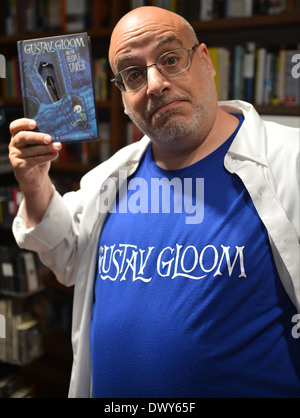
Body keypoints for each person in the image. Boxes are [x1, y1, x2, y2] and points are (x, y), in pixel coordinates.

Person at [9, 6, 299, 398]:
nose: (155, 83)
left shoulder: (290, 162)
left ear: (205, 61)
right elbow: (65, 257)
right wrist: (35, 183)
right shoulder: (109, 177)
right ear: (124, 97)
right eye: (132, 74)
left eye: (171, 59)